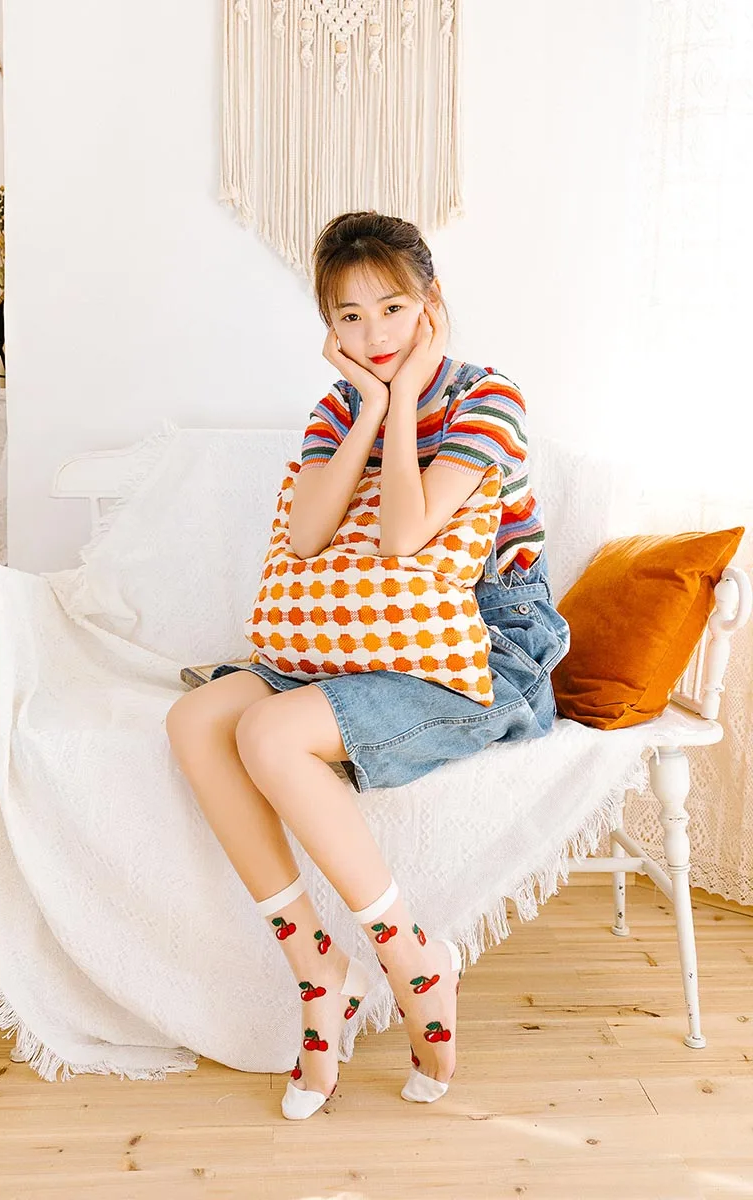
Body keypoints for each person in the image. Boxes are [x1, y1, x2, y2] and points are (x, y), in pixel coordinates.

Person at [165, 211, 570, 1121]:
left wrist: (408, 395)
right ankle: (321, 973)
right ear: (328, 327)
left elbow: (400, 537)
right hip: (356, 634)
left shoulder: (486, 398)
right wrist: (375, 409)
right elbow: (311, 536)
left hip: (477, 647)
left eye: (392, 307)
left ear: (432, 303)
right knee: (194, 720)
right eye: (348, 316)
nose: (374, 333)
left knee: (270, 734)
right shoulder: (338, 408)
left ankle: (410, 957)